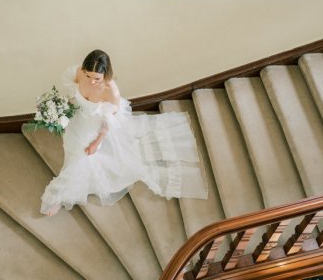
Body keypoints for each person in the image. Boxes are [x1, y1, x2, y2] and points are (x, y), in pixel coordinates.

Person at [40, 49, 208, 216]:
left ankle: (58, 197)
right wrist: (62, 113)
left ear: (105, 74)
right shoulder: (79, 73)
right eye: (88, 76)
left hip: (94, 130)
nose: (91, 82)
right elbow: (74, 96)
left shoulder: (110, 91)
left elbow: (108, 123)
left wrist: (96, 142)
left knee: (79, 159)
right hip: (78, 120)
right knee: (71, 149)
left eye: (96, 78)